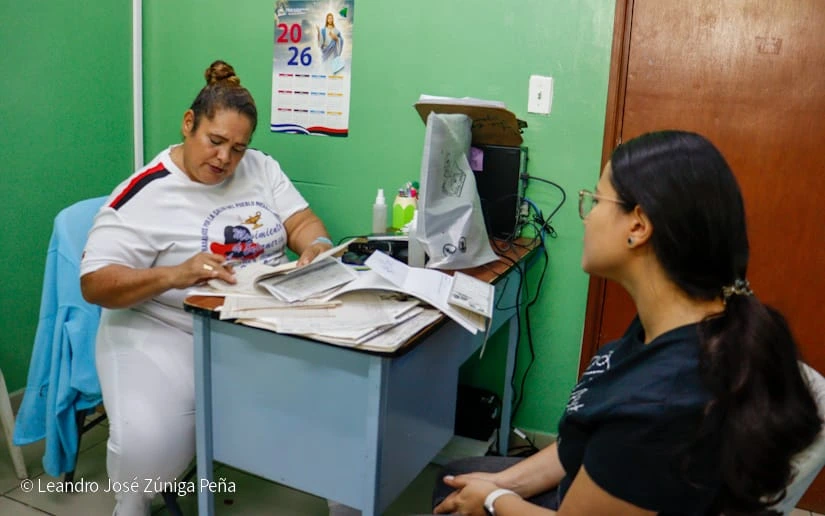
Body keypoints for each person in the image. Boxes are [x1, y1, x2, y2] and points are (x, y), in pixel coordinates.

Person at [431, 131, 823, 515]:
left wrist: (493, 502)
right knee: (456, 477)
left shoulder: (658, 406)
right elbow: (583, 443)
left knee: (456, 495)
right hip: (600, 483)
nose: (586, 217)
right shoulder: (680, 322)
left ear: (638, 226)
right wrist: (501, 485)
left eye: (596, 200)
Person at [80, 60, 334, 515]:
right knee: (146, 453)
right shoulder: (145, 193)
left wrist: (315, 245)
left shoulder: (259, 167)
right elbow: (95, 283)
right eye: (215, 142)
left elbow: (302, 221)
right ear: (188, 123)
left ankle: (347, 499)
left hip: (256, 321)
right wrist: (176, 274)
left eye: (238, 148)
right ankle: (132, 502)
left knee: (341, 404)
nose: (225, 160)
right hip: (165, 326)